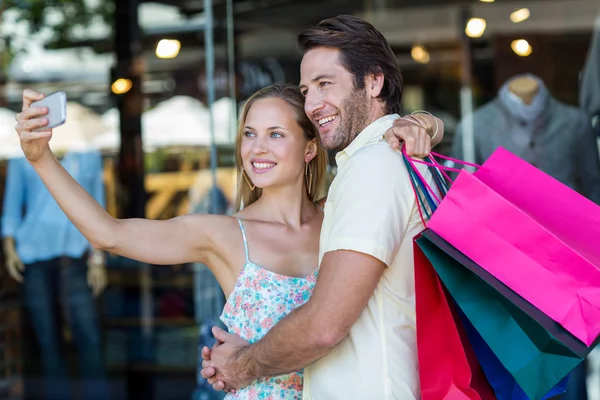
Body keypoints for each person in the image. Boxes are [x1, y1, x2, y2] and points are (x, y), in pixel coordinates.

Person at [14, 82, 440, 398]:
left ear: (311, 148)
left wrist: (423, 122)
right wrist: (41, 159)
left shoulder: (342, 216)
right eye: (249, 134)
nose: (257, 148)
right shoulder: (222, 234)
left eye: (276, 134)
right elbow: (108, 233)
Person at [200, 15, 439, 399]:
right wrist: (427, 122)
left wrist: (240, 365)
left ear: (374, 82)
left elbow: (324, 325)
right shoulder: (397, 155)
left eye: (325, 84)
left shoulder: (375, 166)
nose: (312, 104)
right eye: (306, 89)